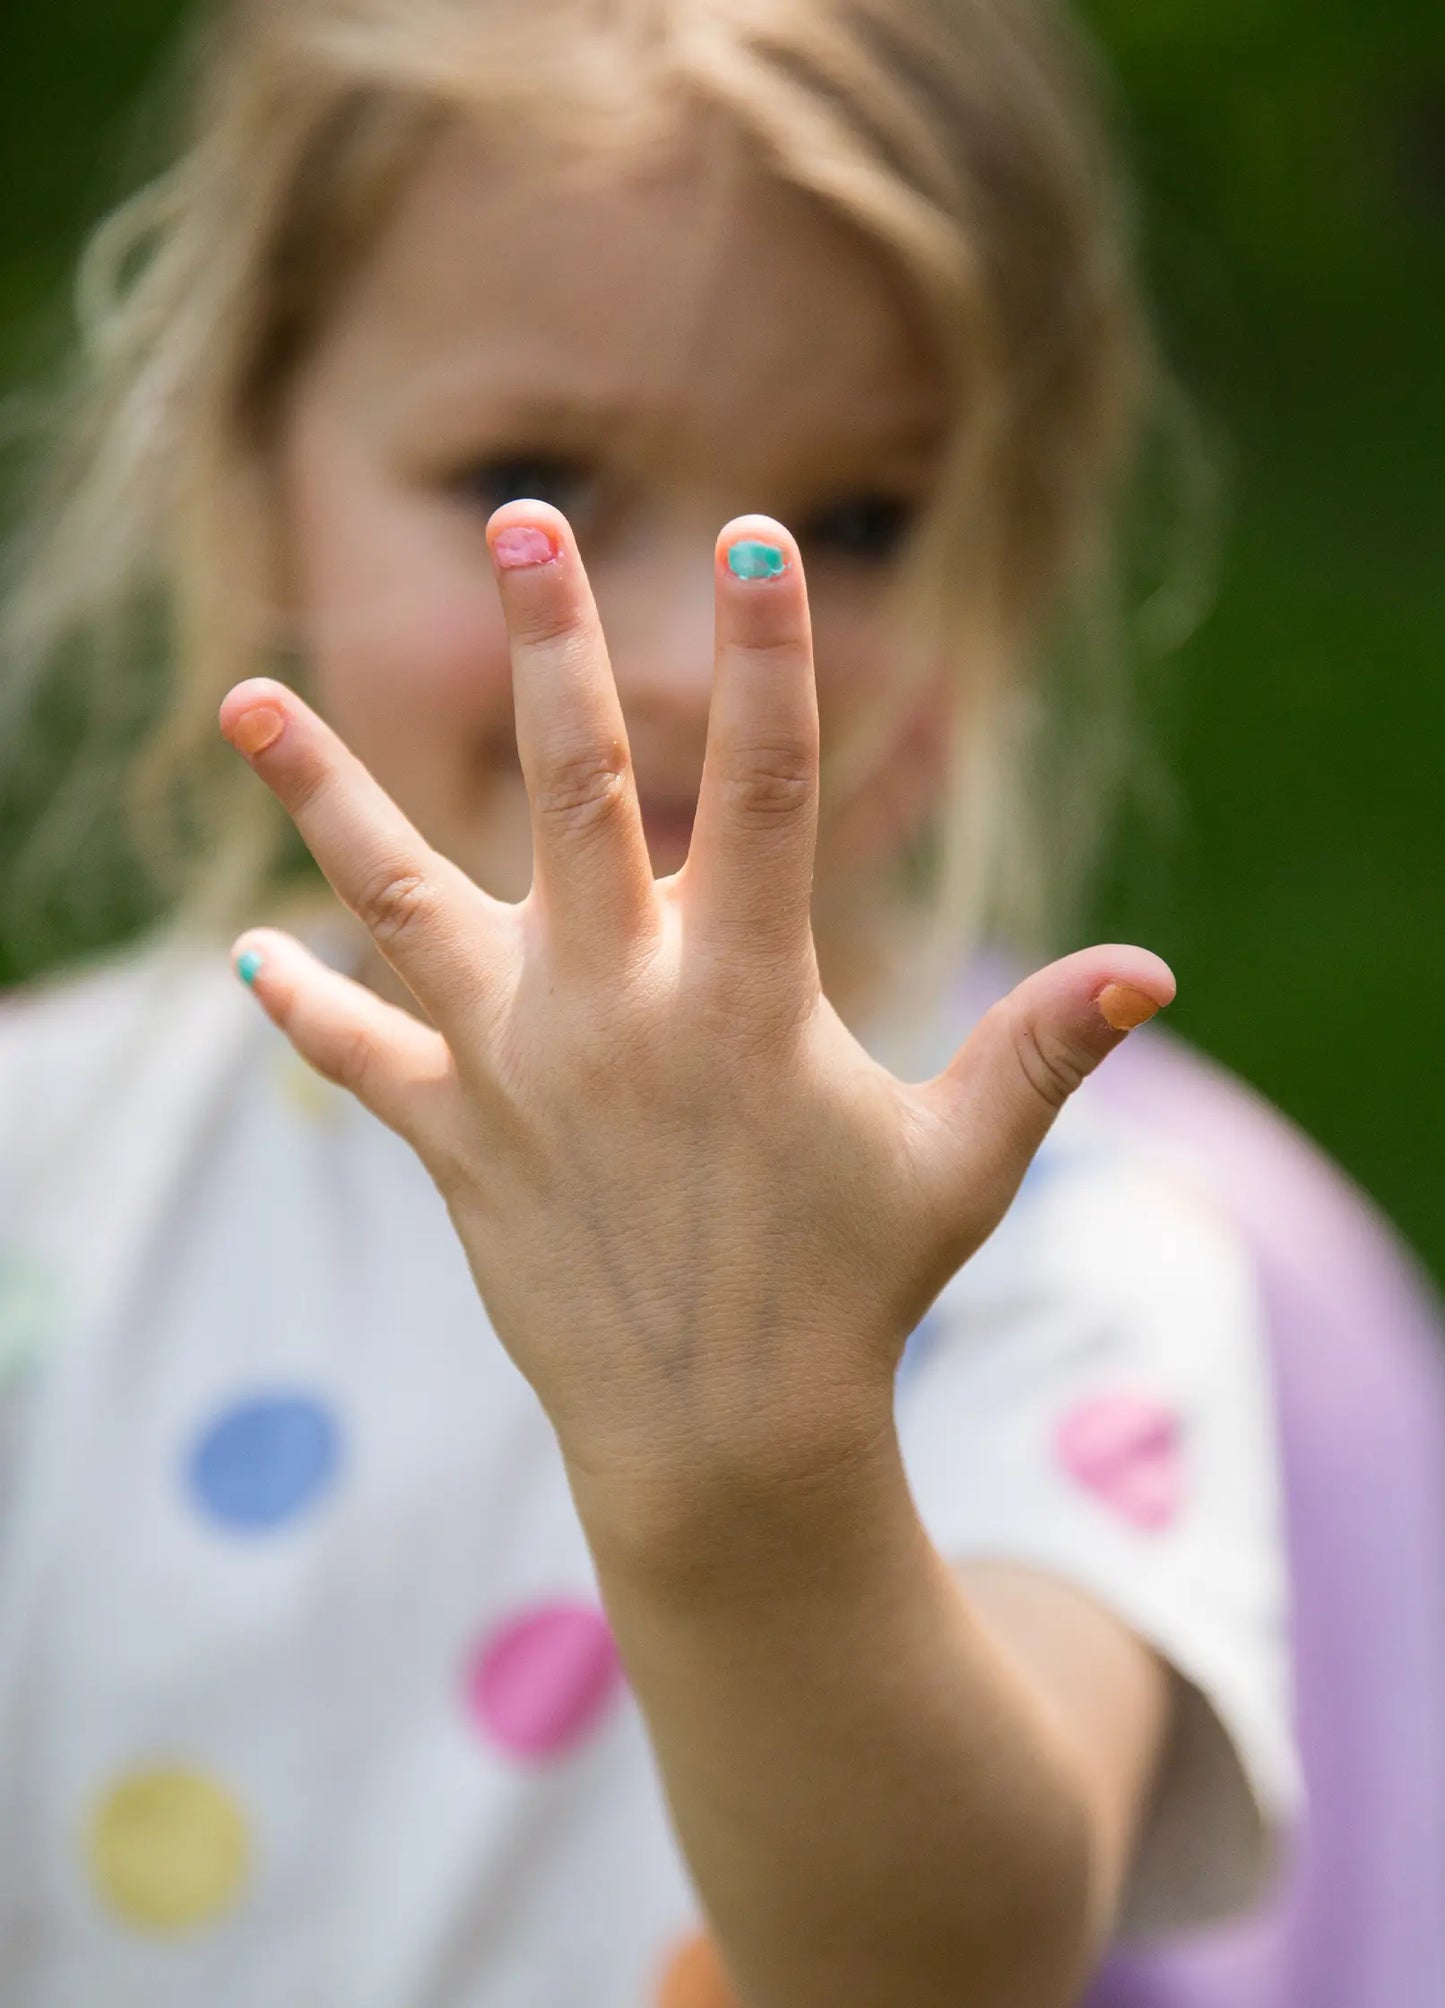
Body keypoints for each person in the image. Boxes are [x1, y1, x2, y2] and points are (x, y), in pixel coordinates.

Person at [0, 1, 1303, 2002]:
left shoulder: (1068, 1258)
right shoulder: (45, 1169)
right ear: (251, 472)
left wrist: (754, 1458)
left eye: (856, 522)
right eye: (536, 479)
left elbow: (957, 1964)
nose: (689, 656)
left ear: (1018, 558)